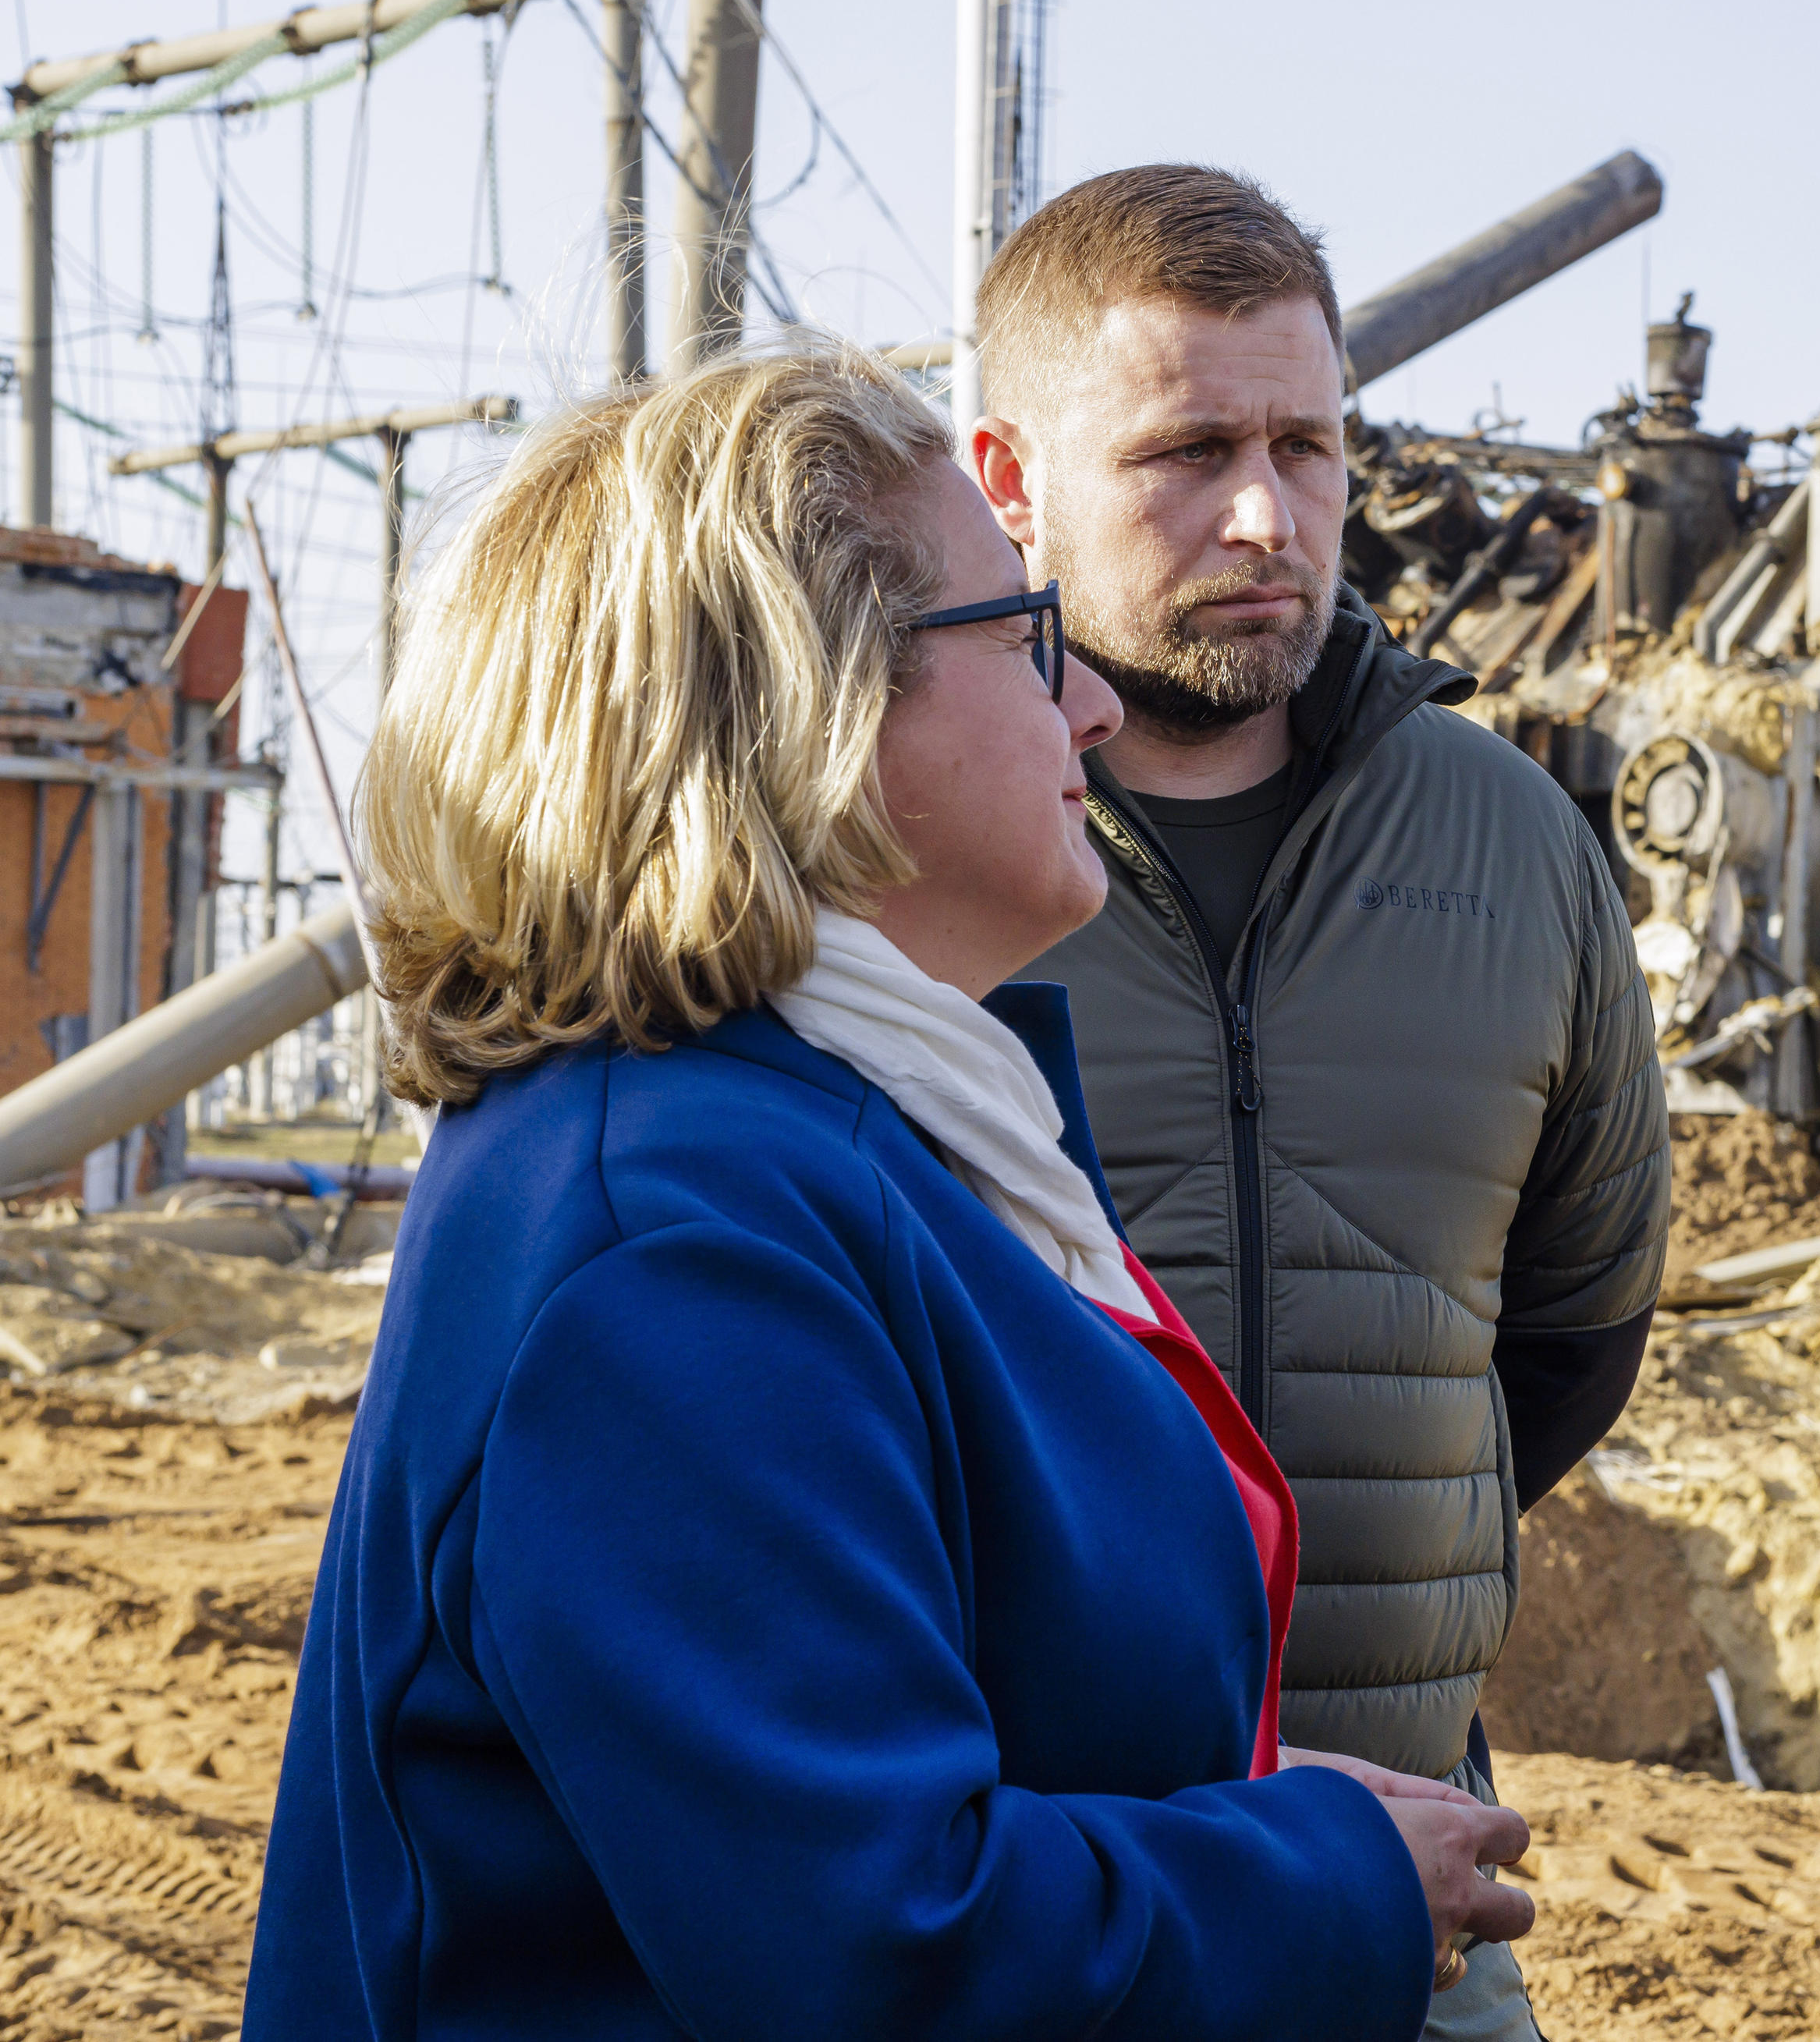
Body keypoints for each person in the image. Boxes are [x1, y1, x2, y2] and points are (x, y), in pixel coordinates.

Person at [247, 345, 1531, 2039]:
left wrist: (1204, 1782)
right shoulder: (670, 1245)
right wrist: (1321, 1877)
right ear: (806, 707)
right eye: (1026, 637)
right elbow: (873, 1953)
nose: (1090, 707)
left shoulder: (845, 1141)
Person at [970, 165, 1669, 2040]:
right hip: (1034, 1906)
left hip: (1411, 1920)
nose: (1267, 515)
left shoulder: (1510, 842)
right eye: (1187, 450)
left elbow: (1576, 1326)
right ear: (1009, 479)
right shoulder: (925, 855)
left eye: (1309, 442)